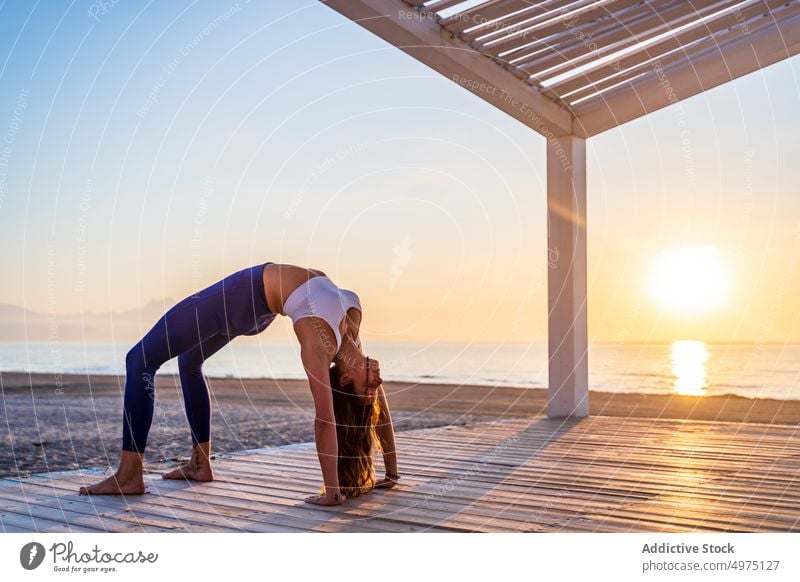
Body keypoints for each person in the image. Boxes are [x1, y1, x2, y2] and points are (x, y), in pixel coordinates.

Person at [79, 262, 399, 506]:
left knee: (139, 360)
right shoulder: (353, 325)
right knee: (189, 362)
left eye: (367, 388)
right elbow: (377, 408)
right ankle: (200, 465)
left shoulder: (321, 343)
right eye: (374, 388)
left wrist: (332, 492)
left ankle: (129, 475)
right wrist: (392, 473)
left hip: (244, 297)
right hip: (259, 309)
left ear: (344, 379)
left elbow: (325, 420)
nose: (378, 383)